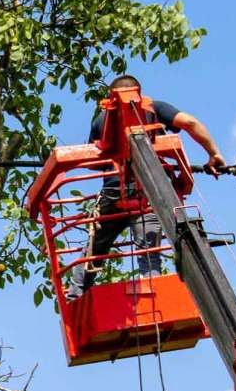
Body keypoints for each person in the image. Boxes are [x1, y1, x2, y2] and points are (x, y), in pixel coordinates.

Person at [65, 75, 225, 302]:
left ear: (111, 97)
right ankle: (155, 299)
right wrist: (213, 153)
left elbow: (94, 160)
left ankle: (75, 297)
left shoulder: (102, 119)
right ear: (139, 92)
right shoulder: (154, 108)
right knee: (149, 254)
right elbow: (190, 123)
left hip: (114, 194)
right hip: (149, 193)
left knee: (94, 248)